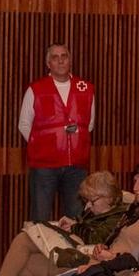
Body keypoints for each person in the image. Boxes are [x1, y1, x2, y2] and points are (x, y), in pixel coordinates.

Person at [19, 42, 95, 224]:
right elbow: (24, 124)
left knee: (76, 219)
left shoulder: (86, 88)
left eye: (64, 56)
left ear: (70, 61)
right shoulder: (35, 89)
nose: (60, 61)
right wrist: (43, 145)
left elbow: (89, 124)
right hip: (44, 166)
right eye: (55, 57)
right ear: (48, 64)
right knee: (40, 217)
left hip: (76, 166)